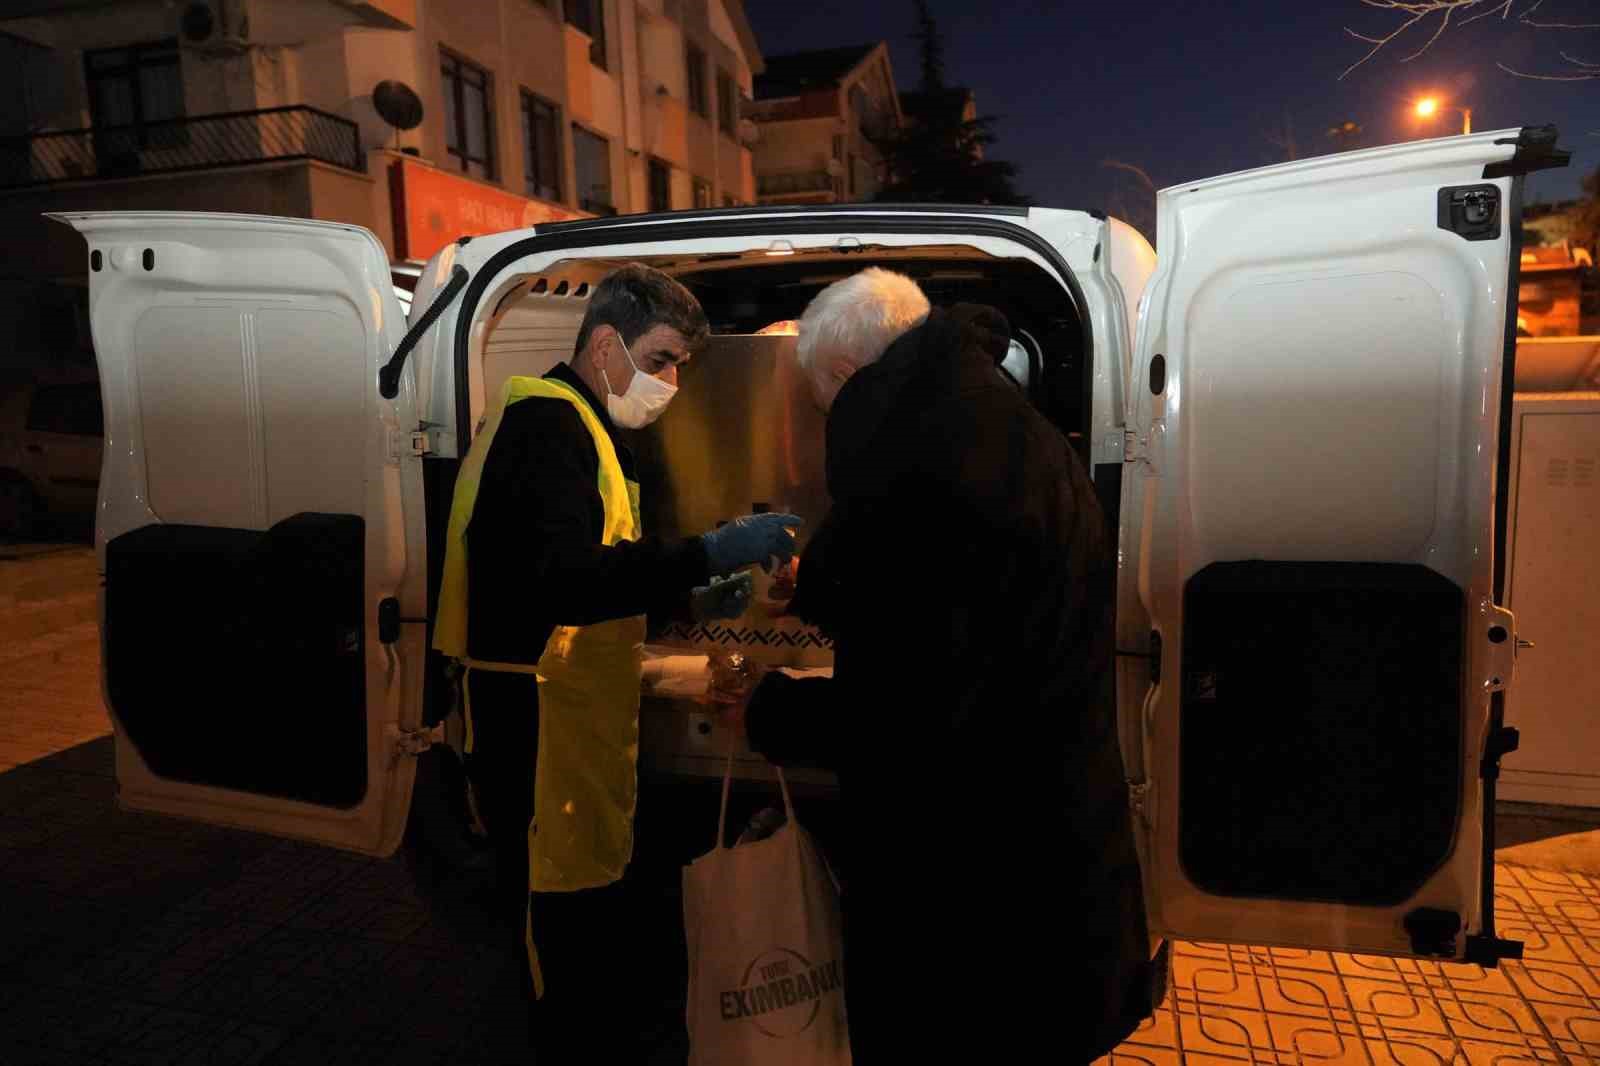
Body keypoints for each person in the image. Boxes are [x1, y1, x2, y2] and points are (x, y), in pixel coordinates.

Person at [730, 267, 1160, 1063]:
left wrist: (768, 709)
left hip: (974, 904)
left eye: (825, 404)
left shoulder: (920, 462)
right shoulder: (993, 422)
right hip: (1049, 865)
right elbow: (942, 597)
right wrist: (818, 589)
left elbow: (906, 717)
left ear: (846, 372)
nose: (830, 423)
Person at [431, 263, 800, 1059]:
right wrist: (706, 553)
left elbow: (598, 574)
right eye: (662, 359)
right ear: (605, 345)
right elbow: (563, 581)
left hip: (571, 722)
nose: (671, 382)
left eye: (680, 366)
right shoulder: (547, 426)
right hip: (534, 729)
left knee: (584, 920)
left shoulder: (590, 431)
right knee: (548, 940)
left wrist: (690, 603)